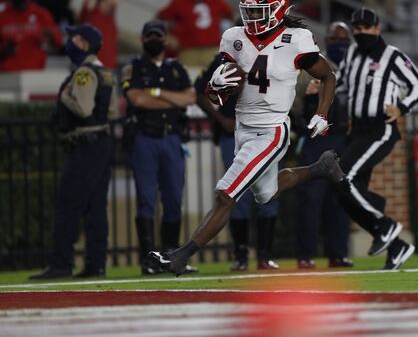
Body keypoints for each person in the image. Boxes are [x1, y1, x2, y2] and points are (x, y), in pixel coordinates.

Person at [147, 0, 344, 276]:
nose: (251, 17)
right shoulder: (234, 37)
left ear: (277, 9)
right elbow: (216, 95)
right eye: (248, 10)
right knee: (267, 193)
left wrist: (322, 114)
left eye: (258, 10)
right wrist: (216, 85)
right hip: (243, 126)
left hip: (272, 130)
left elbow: (327, 75)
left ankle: (180, 256)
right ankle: (321, 168)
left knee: (227, 193)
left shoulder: (297, 39)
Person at [335, 7, 418, 270]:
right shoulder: (352, 53)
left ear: (377, 28)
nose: (360, 32)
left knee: (343, 176)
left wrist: (402, 108)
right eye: (357, 28)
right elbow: (343, 84)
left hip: (380, 128)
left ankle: (386, 225)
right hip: (357, 129)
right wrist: (322, 86)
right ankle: (397, 247)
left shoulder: (392, 56)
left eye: (365, 27)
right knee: (345, 193)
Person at [30, 24, 118, 279]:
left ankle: (61, 264)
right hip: (102, 143)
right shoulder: (106, 72)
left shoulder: (83, 73)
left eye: (73, 37)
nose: (69, 41)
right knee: (95, 208)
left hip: (84, 145)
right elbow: (112, 112)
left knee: (68, 205)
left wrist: (65, 96)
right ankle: (96, 264)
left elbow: (84, 109)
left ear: (82, 43)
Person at [121, 20, 197, 275]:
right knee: (145, 201)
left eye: (158, 36)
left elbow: (189, 98)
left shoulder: (176, 68)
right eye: (150, 36)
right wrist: (168, 99)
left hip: (171, 138)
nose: (154, 40)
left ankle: (171, 257)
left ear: (165, 40)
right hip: (145, 137)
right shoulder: (133, 67)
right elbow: (136, 99)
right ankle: (148, 261)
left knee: (174, 199)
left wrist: (154, 93)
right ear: (143, 40)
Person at [195, 54, 281, 271]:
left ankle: (264, 255)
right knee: (236, 195)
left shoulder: (274, 52)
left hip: (265, 131)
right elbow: (201, 91)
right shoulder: (224, 57)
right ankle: (241, 255)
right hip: (234, 133)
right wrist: (221, 119)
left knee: (267, 192)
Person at [293, 21, 353, 269]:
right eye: (334, 39)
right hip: (317, 138)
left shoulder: (354, 69)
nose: (339, 43)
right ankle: (306, 254)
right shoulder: (311, 67)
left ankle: (337, 253)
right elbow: (293, 105)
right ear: (326, 41)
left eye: (343, 39)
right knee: (310, 199)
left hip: (343, 138)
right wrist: (302, 131)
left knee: (339, 199)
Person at [158, 0, 233, 70]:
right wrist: (168, 37)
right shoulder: (179, 1)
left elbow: (232, 16)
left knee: (215, 81)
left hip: (211, 50)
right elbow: (159, 20)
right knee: (188, 82)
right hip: (188, 52)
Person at [0, 0, 62, 71]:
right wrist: (3, 50)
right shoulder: (2, 17)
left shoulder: (41, 14)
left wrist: (50, 34)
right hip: (7, 74)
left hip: (35, 73)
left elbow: (58, 41)